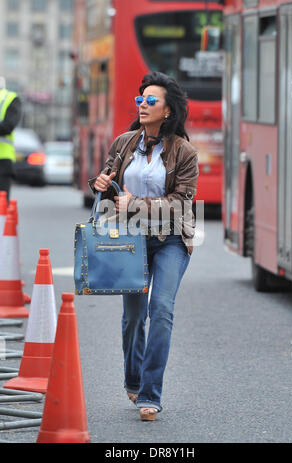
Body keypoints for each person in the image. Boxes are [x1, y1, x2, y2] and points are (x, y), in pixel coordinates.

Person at [88, 72, 199, 421]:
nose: (143, 106)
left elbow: (182, 204)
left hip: (170, 240)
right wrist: (102, 183)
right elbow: (108, 187)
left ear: (167, 111)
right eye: (141, 100)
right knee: (134, 318)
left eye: (151, 101)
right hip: (131, 240)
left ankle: (151, 394)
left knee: (161, 310)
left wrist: (135, 204)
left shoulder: (185, 152)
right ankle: (133, 380)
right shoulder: (123, 143)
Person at [0, 78, 22, 200]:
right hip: (3, 160)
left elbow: (7, 127)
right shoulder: (11, 98)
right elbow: (8, 126)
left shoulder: (9, 98)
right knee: (1, 206)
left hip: (2, 162)